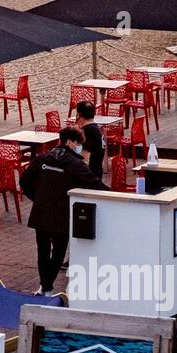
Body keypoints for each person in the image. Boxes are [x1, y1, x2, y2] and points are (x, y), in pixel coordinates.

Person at [20, 127, 109, 296]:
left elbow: (24, 181)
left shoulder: (42, 159)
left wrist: (36, 198)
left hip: (41, 213)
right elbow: (95, 184)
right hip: (62, 215)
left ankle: (45, 287)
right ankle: (46, 287)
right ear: (69, 142)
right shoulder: (75, 164)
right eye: (78, 143)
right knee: (58, 252)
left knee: (42, 252)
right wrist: (116, 195)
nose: (79, 147)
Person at [74, 101, 105, 178]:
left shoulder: (87, 131)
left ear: (79, 115)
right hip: (97, 173)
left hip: (89, 176)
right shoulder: (96, 129)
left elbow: (85, 159)